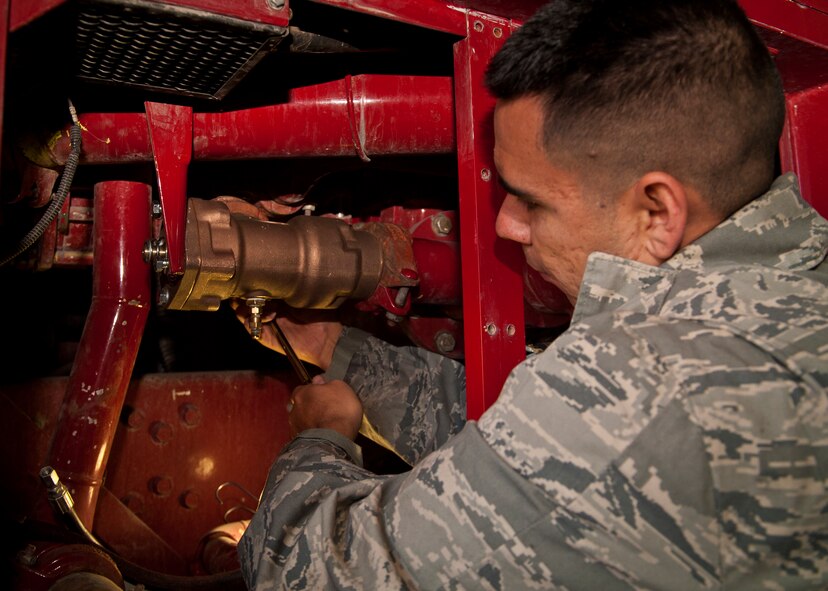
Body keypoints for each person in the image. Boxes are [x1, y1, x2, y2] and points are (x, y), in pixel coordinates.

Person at [236, 0, 828, 589]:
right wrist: (342, 351)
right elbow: (520, 443)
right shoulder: (779, 296)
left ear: (657, 212)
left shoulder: (643, 393)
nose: (505, 226)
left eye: (532, 201)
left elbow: (298, 570)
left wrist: (321, 437)